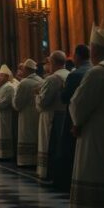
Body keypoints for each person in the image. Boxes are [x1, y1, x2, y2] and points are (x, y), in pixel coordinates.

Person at [67, 25, 104, 208]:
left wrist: (77, 122)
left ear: (94, 50)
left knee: (93, 168)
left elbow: (79, 102)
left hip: (95, 128)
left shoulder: (97, 72)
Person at [51, 45, 91, 191]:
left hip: (74, 116)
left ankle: (67, 182)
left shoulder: (75, 74)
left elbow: (65, 97)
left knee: (69, 149)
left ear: (78, 56)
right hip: (93, 119)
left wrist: (62, 90)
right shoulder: (93, 70)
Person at [36, 51, 68, 180]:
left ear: (53, 63)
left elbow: (43, 102)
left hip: (51, 116)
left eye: (48, 62)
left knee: (51, 144)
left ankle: (49, 172)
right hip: (65, 115)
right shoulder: (69, 74)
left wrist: (37, 95)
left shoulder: (52, 79)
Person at [13, 59, 43, 168]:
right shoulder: (41, 80)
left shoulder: (24, 83)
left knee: (27, 136)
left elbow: (17, 104)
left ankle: (26, 161)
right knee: (36, 136)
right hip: (38, 114)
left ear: (26, 69)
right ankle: (36, 160)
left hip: (26, 115)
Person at [0, 66, 16, 159]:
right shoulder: (1, 87)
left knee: (4, 133)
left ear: (7, 76)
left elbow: (5, 102)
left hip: (6, 114)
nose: (0, 78)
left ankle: (5, 154)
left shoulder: (9, 87)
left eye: (2, 76)